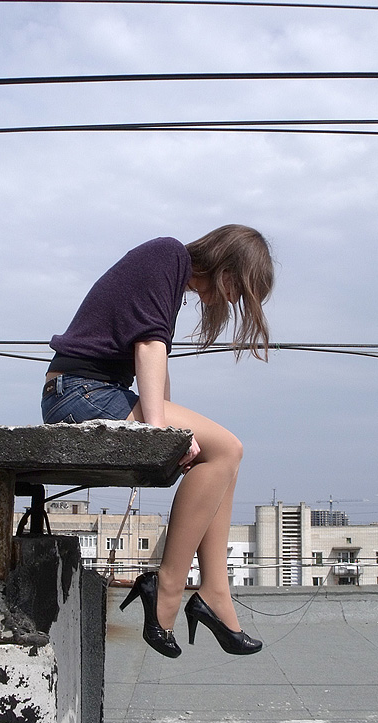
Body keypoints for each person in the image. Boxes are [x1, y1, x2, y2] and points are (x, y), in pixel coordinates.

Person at [42, 224, 274, 658]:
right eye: (237, 290)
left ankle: (215, 591)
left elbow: (155, 361)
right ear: (226, 267)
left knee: (224, 459)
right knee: (227, 448)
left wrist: (168, 430)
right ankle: (168, 586)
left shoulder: (173, 270)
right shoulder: (168, 255)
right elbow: (149, 348)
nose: (231, 301)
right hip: (79, 392)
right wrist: (162, 434)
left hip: (90, 392)